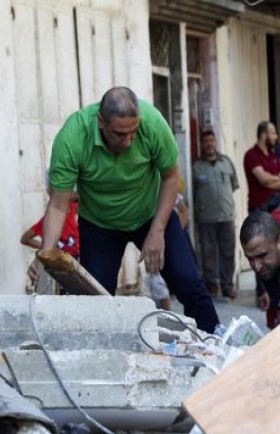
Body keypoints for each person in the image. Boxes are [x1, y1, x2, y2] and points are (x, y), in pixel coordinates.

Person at [37, 87, 219, 333]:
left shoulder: (153, 123)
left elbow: (171, 177)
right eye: (120, 134)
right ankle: (100, 357)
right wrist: (46, 256)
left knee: (190, 283)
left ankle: (217, 346)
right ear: (101, 122)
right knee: (94, 301)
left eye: (133, 133)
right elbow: (59, 205)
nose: (128, 141)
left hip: (151, 215)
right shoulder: (73, 137)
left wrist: (157, 231)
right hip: (99, 224)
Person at [192, 129, 239, 299]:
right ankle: (211, 285)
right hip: (207, 218)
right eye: (206, 141)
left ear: (215, 142)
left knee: (228, 251)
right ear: (202, 144)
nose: (209, 144)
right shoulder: (196, 167)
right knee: (208, 253)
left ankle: (228, 286)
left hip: (226, 216)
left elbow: (233, 185)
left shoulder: (226, 162)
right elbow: (193, 192)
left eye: (211, 140)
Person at [243, 121, 280, 212]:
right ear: (263, 135)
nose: (276, 137)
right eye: (273, 133)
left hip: (276, 208)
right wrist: (277, 178)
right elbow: (264, 179)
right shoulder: (251, 155)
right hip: (258, 209)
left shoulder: (274, 156)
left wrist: (270, 182)